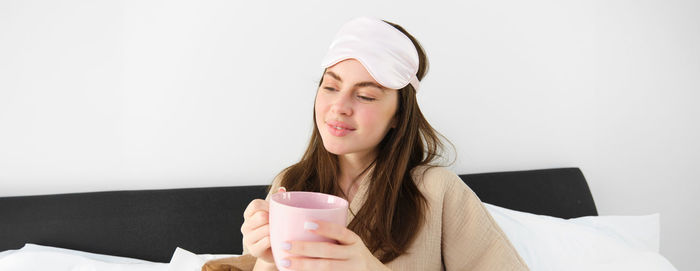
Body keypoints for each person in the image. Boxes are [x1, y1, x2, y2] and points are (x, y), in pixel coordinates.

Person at [240, 17, 529, 271]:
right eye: (330, 87)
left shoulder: (437, 192)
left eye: (365, 96)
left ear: (398, 115)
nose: (339, 106)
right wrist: (267, 259)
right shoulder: (291, 184)